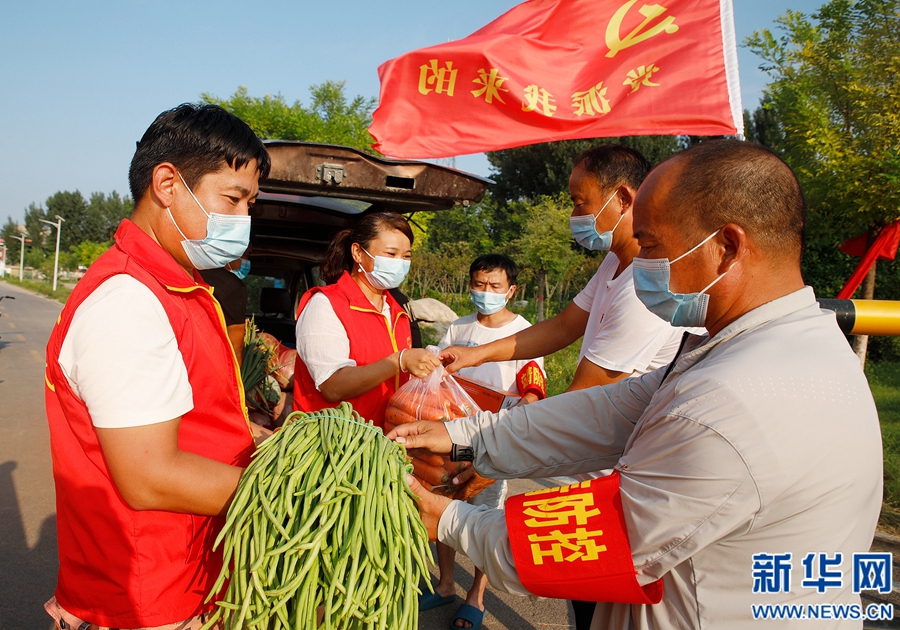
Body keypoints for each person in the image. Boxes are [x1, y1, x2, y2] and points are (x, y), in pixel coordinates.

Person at [390, 140, 883, 629]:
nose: (639, 264)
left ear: (726, 247)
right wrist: (467, 438)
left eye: (650, 246)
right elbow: (614, 409)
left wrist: (447, 518)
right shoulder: (762, 349)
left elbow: (602, 542)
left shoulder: (735, 401)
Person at [44, 104, 272, 628]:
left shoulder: (181, 287)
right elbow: (149, 474)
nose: (242, 221)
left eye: (249, 204)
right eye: (232, 200)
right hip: (148, 596)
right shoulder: (127, 300)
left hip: (189, 574)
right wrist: (295, 492)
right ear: (167, 184)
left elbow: (196, 422)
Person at [442, 145, 696, 398]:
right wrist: (477, 354)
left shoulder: (646, 286)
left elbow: (586, 393)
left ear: (623, 199)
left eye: (580, 203)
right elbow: (563, 327)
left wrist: (483, 429)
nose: (574, 215)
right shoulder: (613, 262)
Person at [425, 253, 547, 629]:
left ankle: (475, 596)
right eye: (479, 285)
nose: (486, 292)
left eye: (494, 287)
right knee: (445, 502)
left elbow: (533, 389)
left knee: (487, 510)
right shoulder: (458, 329)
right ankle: (446, 583)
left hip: (494, 439)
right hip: (453, 435)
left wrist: (511, 428)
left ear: (510, 291)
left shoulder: (524, 334)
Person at [292, 212, 440, 427]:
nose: (399, 263)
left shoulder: (397, 311)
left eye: (406, 256)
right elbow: (332, 386)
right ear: (358, 253)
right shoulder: (326, 304)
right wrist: (399, 361)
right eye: (391, 254)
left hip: (383, 442)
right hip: (334, 446)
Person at [200, 249, 250, 361]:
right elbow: (236, 349)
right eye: (246, 254)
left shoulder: (189, 273)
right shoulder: (232, 287)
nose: (246, 260)